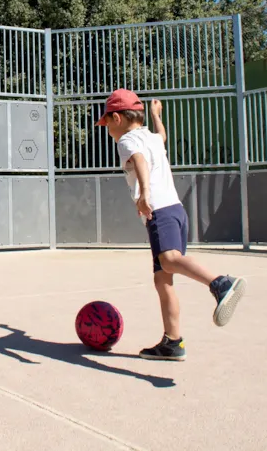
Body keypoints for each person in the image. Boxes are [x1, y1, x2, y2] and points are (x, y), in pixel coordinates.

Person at [96, 89, 246, 361]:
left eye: (106, 124)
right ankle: (172, 342)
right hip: (176, 210)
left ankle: (221, 283)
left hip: (160, 209)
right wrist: (156, 117)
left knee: (169, 260)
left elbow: (139, 160)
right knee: (162, 280)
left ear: (116, 118)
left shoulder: (127, 141)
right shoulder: (152, 137)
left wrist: (144, 194)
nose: (107, 130)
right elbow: (162, 137)